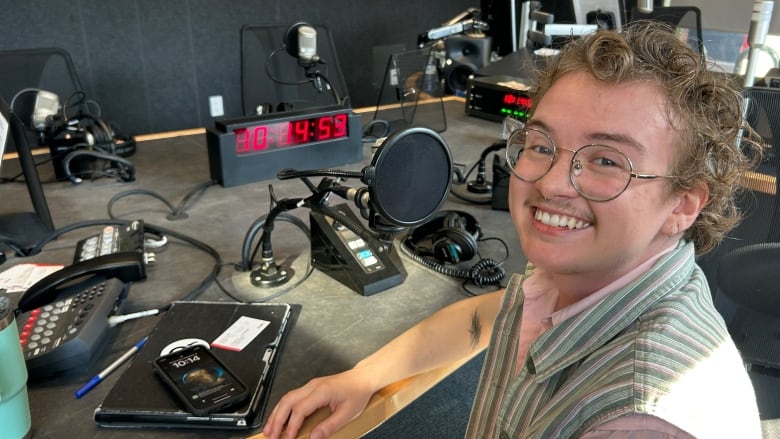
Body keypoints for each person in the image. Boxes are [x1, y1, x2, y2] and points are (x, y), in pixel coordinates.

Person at [263, 21, 764, 439]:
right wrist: (363, 377)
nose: (550, 182)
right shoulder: (590, 277)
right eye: (542, 145)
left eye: (607, 160)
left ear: (683, 204)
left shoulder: (632, 417)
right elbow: (485, 316)